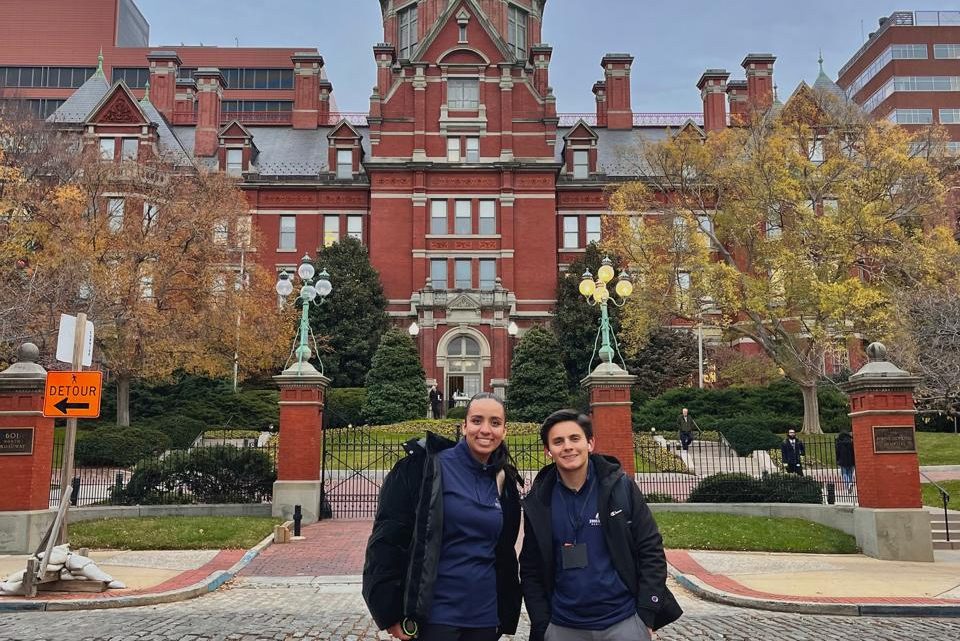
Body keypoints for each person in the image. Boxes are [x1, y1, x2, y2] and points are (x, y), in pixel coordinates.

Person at [362, 392, 522, 641]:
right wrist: (389, 611)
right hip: (434, 616)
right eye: (477, 420)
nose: (485, 430)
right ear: (464, 425)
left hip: (485, 616)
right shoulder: (423, 468)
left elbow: (504, 549)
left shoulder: (504, 479)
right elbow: (388, 539)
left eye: (495, 422)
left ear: (504, 431)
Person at [520, 409, 682, 641]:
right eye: (558, 441)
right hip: (562, 626)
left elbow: (651, 549)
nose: (567, 446)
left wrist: (646, 616)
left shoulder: (620, 487)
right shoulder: (539, 500)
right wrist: (542, 624)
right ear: (548, 451)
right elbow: (530, 568)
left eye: (575, 438)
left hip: (622, 621)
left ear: (590, 443)